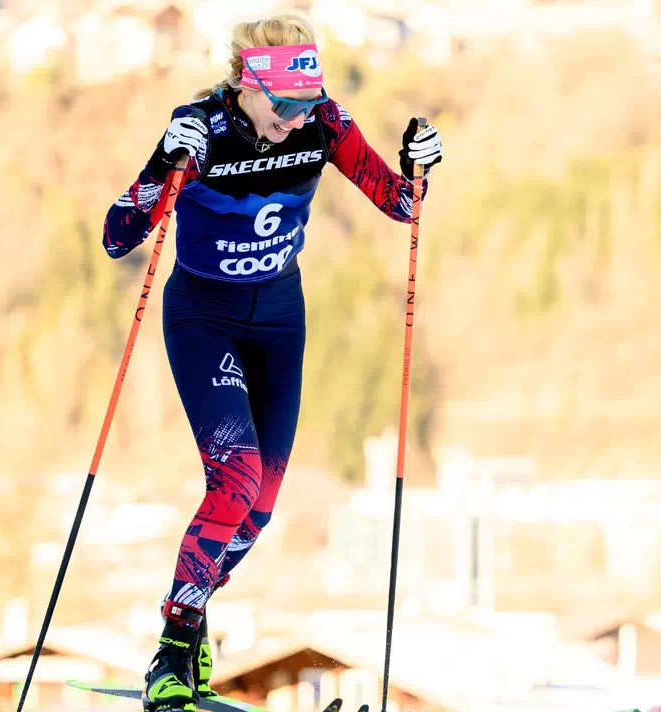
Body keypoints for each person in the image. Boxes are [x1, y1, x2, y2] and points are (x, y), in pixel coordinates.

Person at [100, 14, 443, 712]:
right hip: (204, 317)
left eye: (304, 102)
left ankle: (191, 620)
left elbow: (401, 205)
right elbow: (118, 237)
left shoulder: (322, 121)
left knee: (256, 513)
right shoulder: (201, 128)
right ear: (245, 84)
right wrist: (163, 161)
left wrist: (421, 166)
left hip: (279, 318)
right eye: (282, 105)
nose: (294, 119)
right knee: (235, 482)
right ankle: (171, 653)